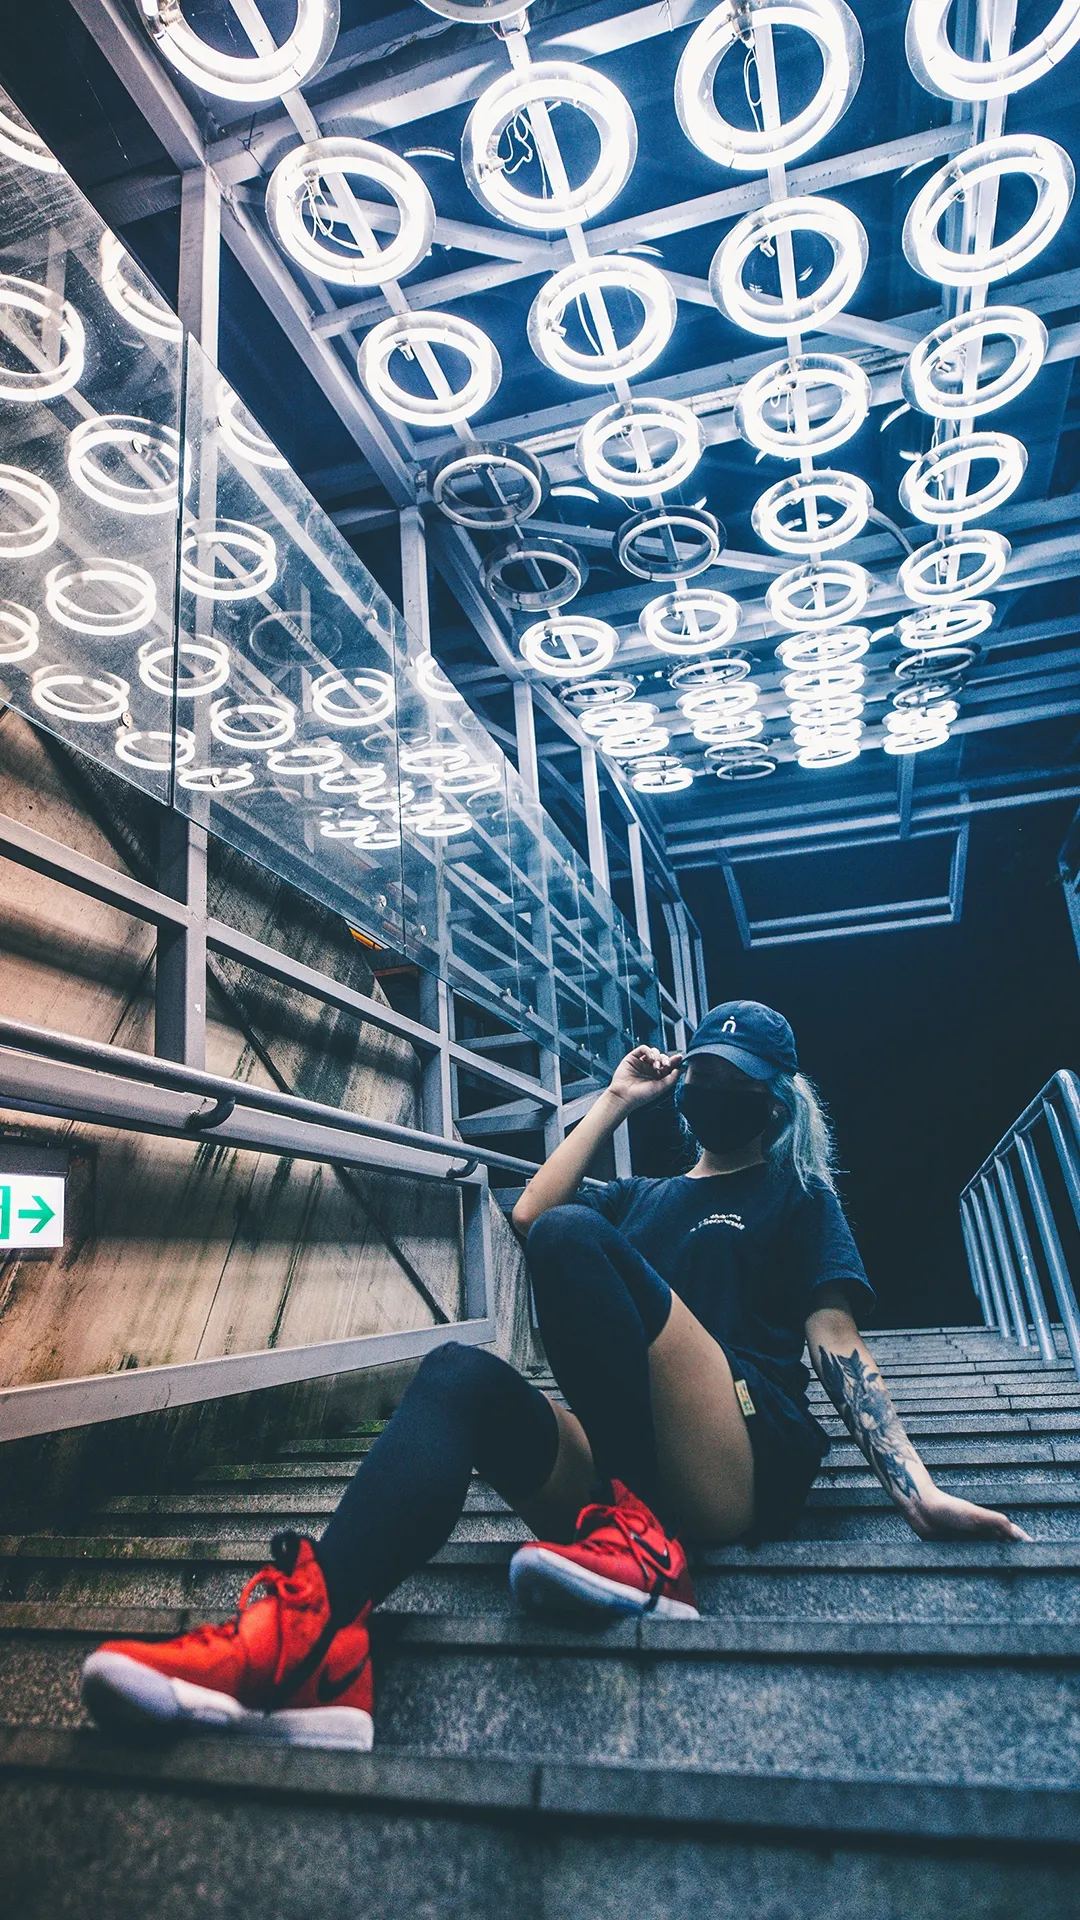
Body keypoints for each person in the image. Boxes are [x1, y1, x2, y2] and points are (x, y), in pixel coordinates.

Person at [81, 999, 1030, 1751]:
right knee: (456, 1372)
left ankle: (649, 1547)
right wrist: (615, 1099)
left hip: (735, 1449)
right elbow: (532, 1214)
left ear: (776, 1101)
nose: (711, 1090)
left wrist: (916, 1491)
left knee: (577, 1236)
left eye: (735, 1080)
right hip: (627, 1465)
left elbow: (834, 1339)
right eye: (700, 1073)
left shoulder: (797, 1196)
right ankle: (312, 1647)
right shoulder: (642, 1196)